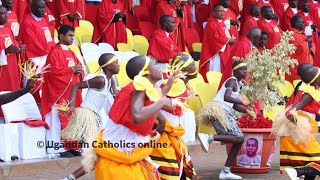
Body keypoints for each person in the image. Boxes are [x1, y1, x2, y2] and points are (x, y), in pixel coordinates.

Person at [81, 55, 175, 180]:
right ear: (146, 72)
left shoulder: (142, 88)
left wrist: (169, 84)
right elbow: (137, 116)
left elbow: (153, 99)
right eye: (153, 65)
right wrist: (162, 102)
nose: (158, 68)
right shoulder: (137, 88)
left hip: (121, 158)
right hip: (118, 161)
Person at [61, 53, 120, 180]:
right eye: (116, 62)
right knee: (98, 155)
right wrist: (71, 105)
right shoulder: (100, 80)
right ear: (109, 66)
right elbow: (76, 85)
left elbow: (116, 94)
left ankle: (69, 178)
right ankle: (69, 178)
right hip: (87, 116)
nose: (119, 65)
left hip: (95, 118)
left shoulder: (111, 80)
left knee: (99, 155)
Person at [198, 61, 253, 180]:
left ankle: (226, 171)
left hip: (224, 111)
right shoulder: (232, 80)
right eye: (241, 69)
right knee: (239, 138)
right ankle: (209, 137)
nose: (244, 71)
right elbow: (226, 97)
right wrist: (242, 101)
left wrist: (247, 111)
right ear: (234, 71)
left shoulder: (239, 84)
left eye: (245, 69)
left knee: (238, 140)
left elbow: (233, 105)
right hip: (218, 110)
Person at [150, 54, 198, 179]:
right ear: (185, 70)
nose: (195, 66)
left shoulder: (181, 83)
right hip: (165, 130)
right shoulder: (177, 84)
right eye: (192, 64)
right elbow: (161, 101)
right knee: (169, 167)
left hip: (172, 130)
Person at [41, 25, 83, 156]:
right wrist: (71, 70)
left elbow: (78, 67)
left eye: (73, 36)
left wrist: (80, 70)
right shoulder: (54, 52)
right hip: (59, 94)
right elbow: (52, 73)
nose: (72, 38)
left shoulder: (71, 52)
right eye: (70, 35)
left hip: (72, 93)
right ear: (61, 36)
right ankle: (60, 148)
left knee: (73, 120)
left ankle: (72, 146)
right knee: (59, 120)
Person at [272, 66, 320, 175]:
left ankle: (297, 171)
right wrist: (293, 118)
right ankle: (296, 172)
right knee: (316, 163)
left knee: (311, 164)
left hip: (300, 133)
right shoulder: (309, 94)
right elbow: (292, 110)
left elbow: (311, 114)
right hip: (297, 133)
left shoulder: (313, 92)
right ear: (317, 80)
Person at [19, 0, 56, 103]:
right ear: (32, 7)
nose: (43, 10)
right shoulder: (27, 21)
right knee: (34, 85)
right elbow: (31, 42)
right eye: (40, 8)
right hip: (35, 60)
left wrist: (53, 50)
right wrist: (47, 53)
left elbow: (49, 38)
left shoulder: (43, 19)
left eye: (44, 8)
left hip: (46, 57)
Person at [199, 4, 236, 82]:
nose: (222, 13)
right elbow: (215, 40)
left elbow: (225, 35)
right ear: (214, 13)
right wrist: (228, 40)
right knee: (216, 71)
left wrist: (230, 39)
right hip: (215, 54)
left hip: (223, 51)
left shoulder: (221, 23)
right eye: (220, 11)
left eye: (223, 11)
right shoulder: (211, 24)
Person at [0, 5, 23, 92]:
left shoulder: (7, 30)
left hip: (11, 63)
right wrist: (5, 51)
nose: (6, 16)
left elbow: (14, 44)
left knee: (13, 87)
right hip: (2, 68)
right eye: (2, 14)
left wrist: (19, 48)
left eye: (6, 13)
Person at [285, 16, 314, 83]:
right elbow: (299, 49)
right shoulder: (292, 35)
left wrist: (307, 42)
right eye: (303, 22)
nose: (304, 24)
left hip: (304, 65)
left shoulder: (300, 34)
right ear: (297, 24)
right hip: (297, 67)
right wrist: (307, 42)